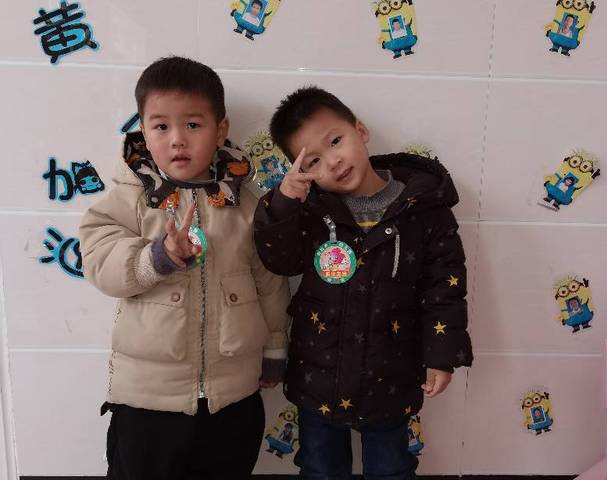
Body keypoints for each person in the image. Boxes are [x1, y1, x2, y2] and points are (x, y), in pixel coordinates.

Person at [79, 56, 290, 480]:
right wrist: (155, 258)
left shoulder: (247, 205)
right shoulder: (132, 197)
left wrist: (274, 349)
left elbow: (270, 284)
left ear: (221, 129)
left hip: (232, 397)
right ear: (143, 130)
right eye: (161, 126)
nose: (177, 140)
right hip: (148, 402)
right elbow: (99, 258)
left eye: (193, 124)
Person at [254, 86, 473, 479]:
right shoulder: (311, 210)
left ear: (360, 130)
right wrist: (284, 201)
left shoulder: (424, 208)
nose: (333, 161)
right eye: (314, 161)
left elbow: (445, 288)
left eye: (336, 141)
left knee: (392, 469)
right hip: (318, 376)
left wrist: (441, 354)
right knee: (320, 469)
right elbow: (280, 260)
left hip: (391, 374)